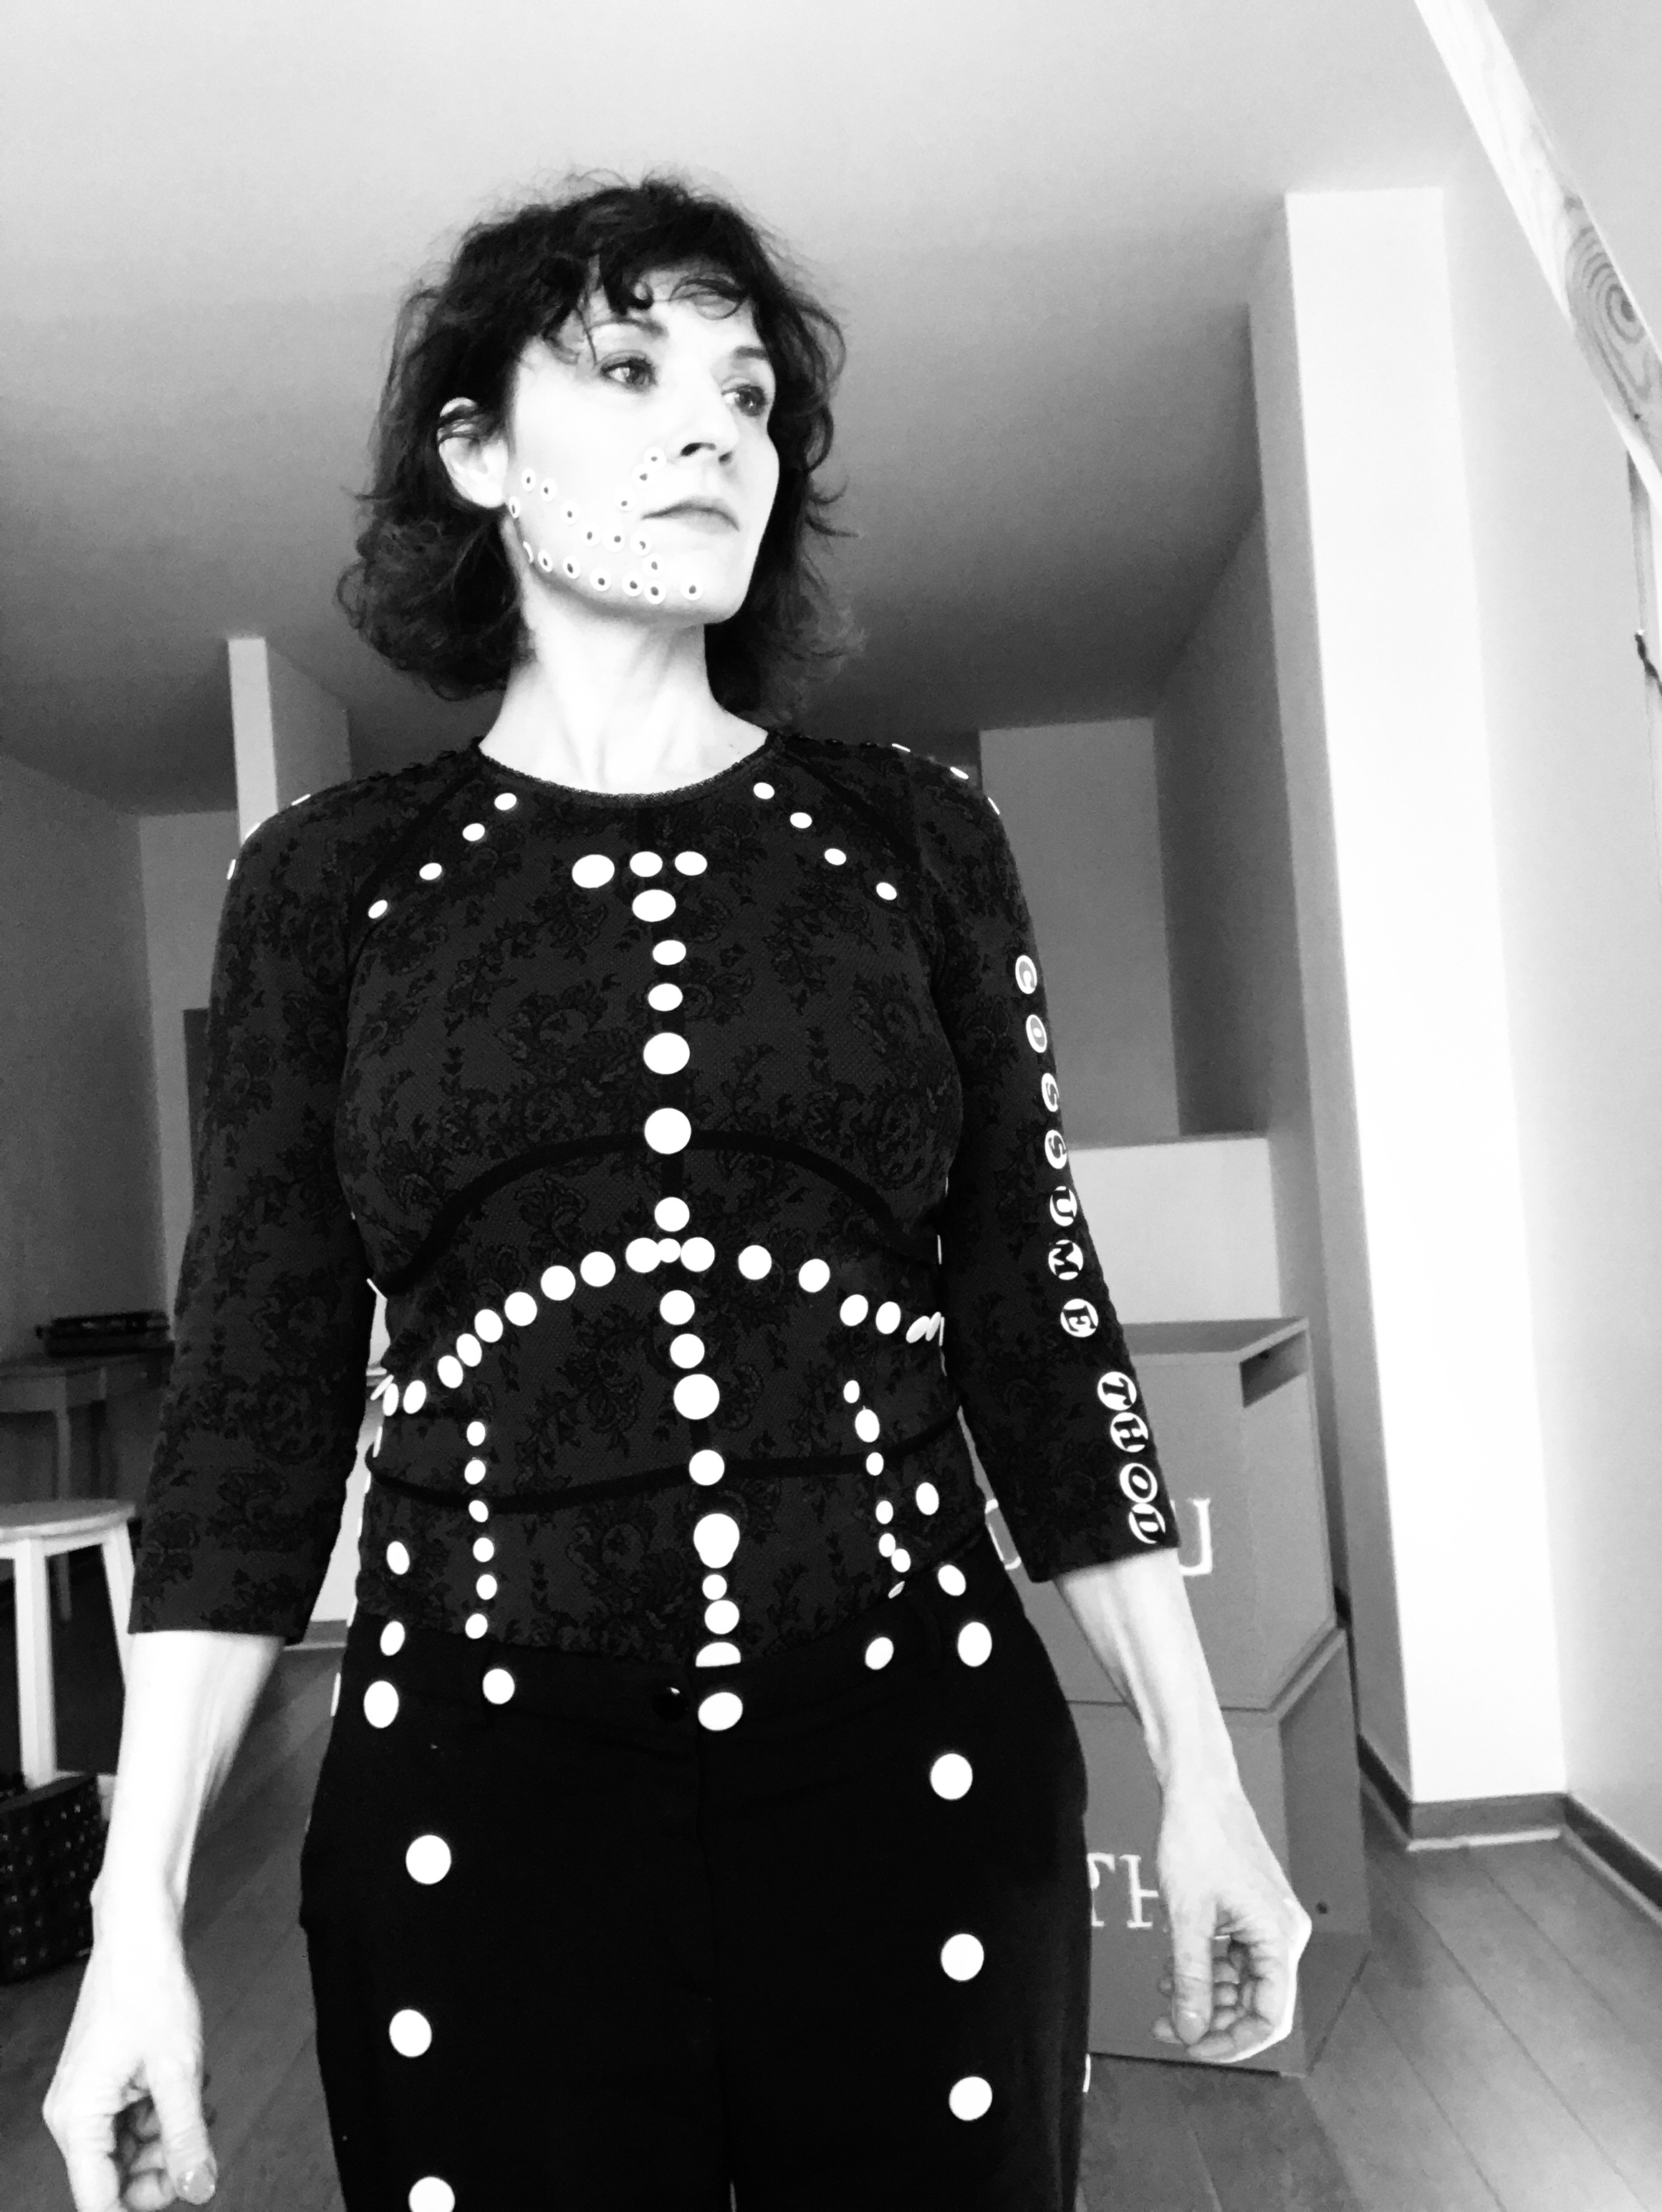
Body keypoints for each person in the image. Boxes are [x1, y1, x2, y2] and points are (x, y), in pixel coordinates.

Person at [44, 170, 1310, 2212]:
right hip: (476, 1802)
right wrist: (133, 1922)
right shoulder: (329, 885)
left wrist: (1203, 1771)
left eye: (748, 393)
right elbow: (252, 1421)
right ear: (475, 450)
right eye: (629, 368)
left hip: (917, 1771)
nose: (715, 426)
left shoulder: (919, 845)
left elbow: (1038, 1318)